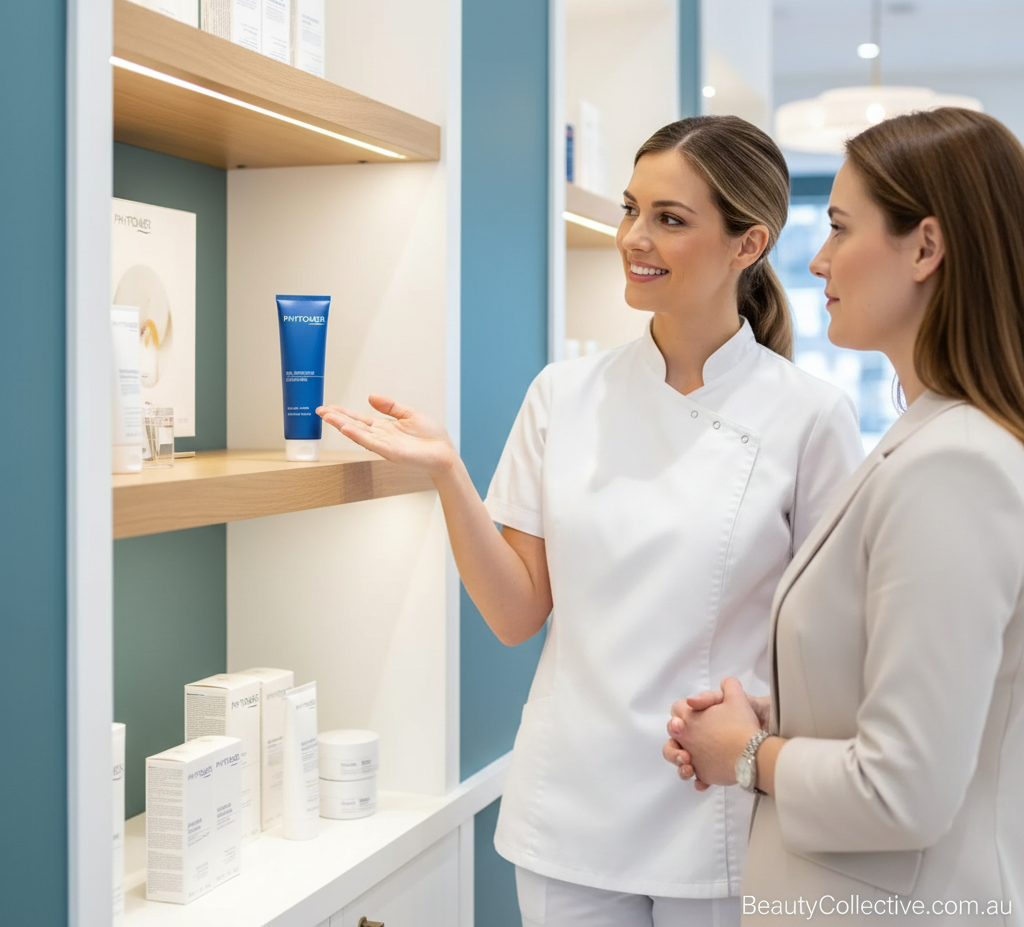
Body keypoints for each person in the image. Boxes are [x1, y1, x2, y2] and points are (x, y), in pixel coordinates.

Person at [319, 116, 862, 927]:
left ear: (748, 245)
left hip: (715, 809)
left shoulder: (810, 416)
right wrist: (447, 473)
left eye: (670, 219)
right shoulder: (561, 396)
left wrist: (758, 723)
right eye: (631, 208)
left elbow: (829, 645)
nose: (633, 238)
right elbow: (515, 614)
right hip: (568, 811)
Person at [664, 108, 1024, 925]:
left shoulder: (957, 468)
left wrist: (749, 756)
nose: (818, 259)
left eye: (837, 227)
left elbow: (905, 790)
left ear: (926, 249)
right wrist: (782, 716)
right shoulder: (931, 437)